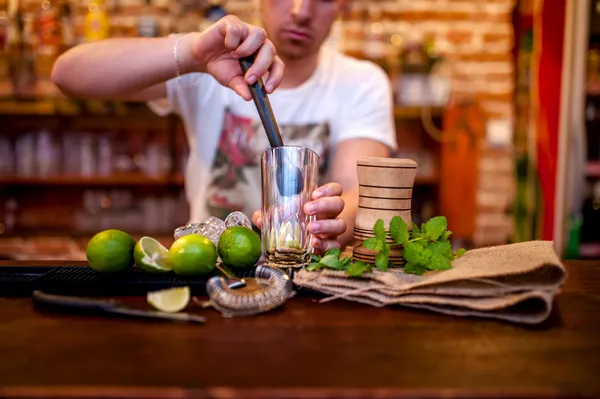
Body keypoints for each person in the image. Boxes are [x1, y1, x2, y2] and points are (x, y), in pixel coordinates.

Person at [51, 0, 398, 253]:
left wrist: (331, 223)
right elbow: (68, 75)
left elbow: (360, 193)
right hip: (206, 272)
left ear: (344, 6)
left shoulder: (362, 82)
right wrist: (193, 53)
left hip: (310, 285)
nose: (300, 11)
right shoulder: (207, 66)